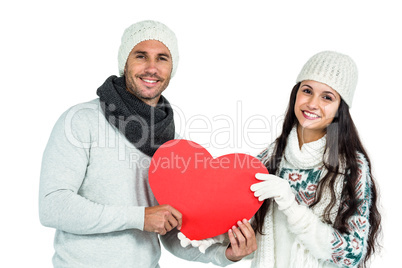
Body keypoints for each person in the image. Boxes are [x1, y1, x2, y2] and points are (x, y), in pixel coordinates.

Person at [39, 20, 256, 267]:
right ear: (125, 62)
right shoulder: (82, 121)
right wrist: (140, 217)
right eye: (141, 56)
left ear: (171, 68)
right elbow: (52, 206)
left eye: (162, 58)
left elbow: (173, 233)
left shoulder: (172, 145)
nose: (151, 68)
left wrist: (225, 254)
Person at [249, 51, 381, 267]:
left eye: (327, 97)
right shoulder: (272, 155)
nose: (312, 103)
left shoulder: (351, 167)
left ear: (341, 107)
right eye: (307, 91)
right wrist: (209, 236)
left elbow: (351, 254)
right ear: (295, 94)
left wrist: (291, 206)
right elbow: (247, 226)